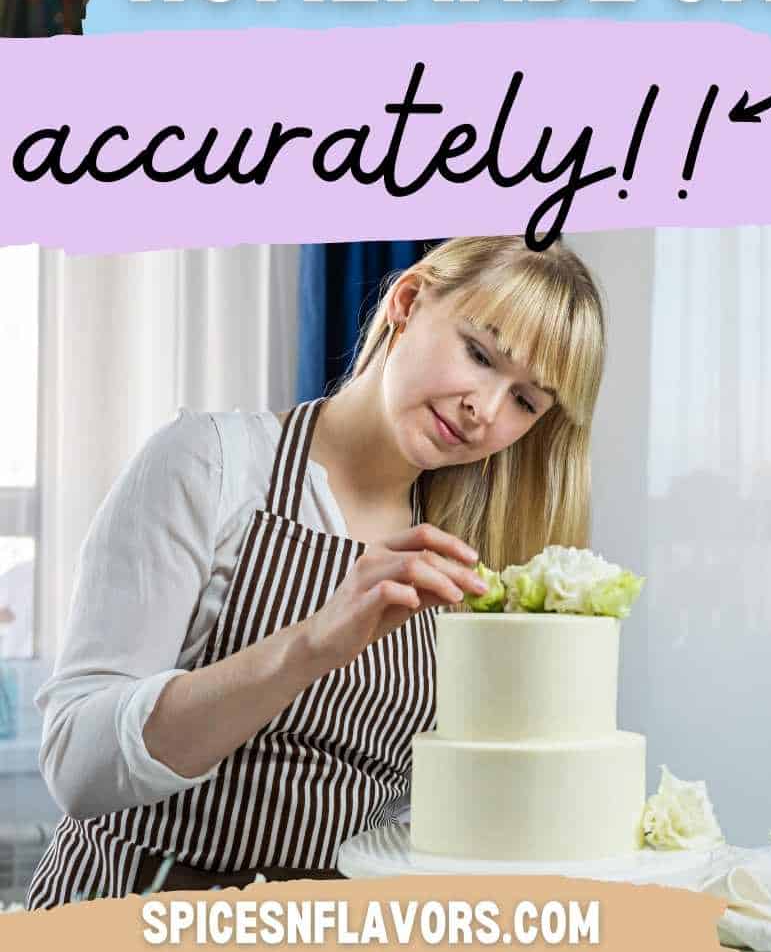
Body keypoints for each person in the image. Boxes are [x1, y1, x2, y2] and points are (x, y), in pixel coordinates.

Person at [27, 235, 606, 905]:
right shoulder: (208, 466)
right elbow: (76, 765)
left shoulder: (467, 560)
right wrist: (306, 646)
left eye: (526, 403)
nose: (485, 408)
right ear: (409, 301)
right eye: (478, 354)